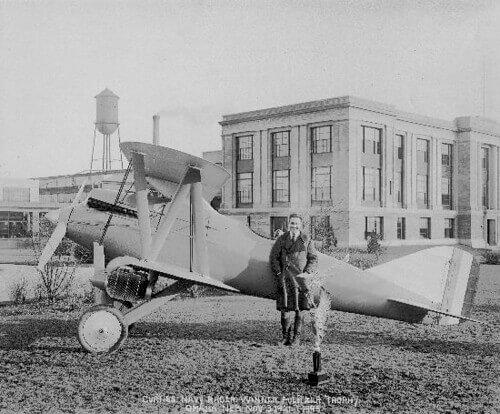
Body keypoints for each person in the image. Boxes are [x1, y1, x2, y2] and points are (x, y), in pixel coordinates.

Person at [270, 213, 318, 346]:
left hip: (301, 279)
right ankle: (285, 338)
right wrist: (279, 273)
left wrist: (308, 272)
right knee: (285, 309)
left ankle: (296, 338)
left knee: (300, 309)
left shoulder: (307, 239)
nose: (294, 226)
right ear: (288, 224)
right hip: (285, 278)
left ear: (301, 225)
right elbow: (274, 257)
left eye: (297, 223)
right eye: (292, 223)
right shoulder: (282, 239)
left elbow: (313, 258)